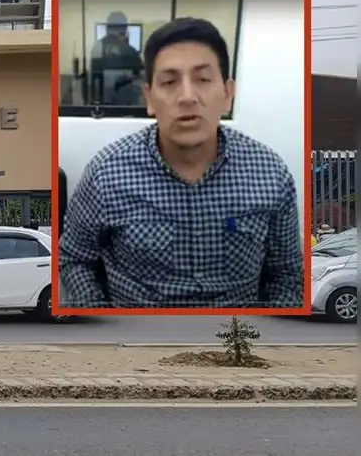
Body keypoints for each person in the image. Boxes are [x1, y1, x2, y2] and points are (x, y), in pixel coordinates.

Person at [59, 17, 304, 309]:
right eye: (169, 82)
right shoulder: (106, 174)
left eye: (202, 79)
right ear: (149, 97)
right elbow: (75, 258)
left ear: (227, 95)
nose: (187, 97)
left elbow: (287, 276)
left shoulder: (270, 175)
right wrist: (102, 326)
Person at [90, 11, 145, 106]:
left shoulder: (96, 47)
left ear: (107, 28)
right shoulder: (130, 50)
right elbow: (142, 74)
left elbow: (93, 74)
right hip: (124, 106)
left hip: (100, 105)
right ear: (124, 29)